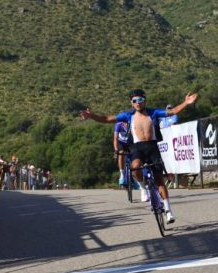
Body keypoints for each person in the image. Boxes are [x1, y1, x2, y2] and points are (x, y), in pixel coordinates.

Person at [80, 89, 199, 223]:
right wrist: (92, 116)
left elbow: (173, 111)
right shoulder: (127, 115)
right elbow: (107, 119)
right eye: (134, 101)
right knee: (135, 167)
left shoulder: (153, 112)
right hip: (137, 148)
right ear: (131, 103)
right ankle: (143, 187)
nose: (138, 103)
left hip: (152, 147)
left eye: (140, 100)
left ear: (145, 100)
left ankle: (168, 211)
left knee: (159, 179)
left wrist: (186, 103)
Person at [114, 121, 131, 185]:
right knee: (121, 153)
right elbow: (115, 138)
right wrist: (116, 150)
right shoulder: (118, 125)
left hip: (130, 143)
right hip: (121, 143)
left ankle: (134, 177)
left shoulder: (131, 123)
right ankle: (122, 174)